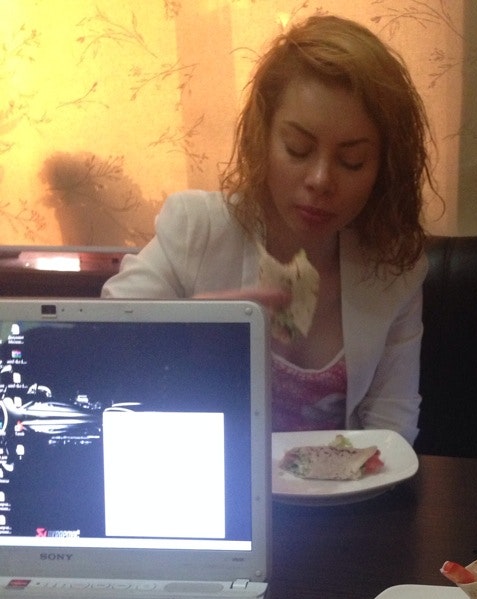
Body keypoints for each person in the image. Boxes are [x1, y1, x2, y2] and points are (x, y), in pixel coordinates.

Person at [102, 15, 436, 444]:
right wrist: (191, 327)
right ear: (263, 138)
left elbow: (391, 431)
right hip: (211, 479)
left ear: (382, 168)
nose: (320, 180)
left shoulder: (393, 267)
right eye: (298, 149)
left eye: (351, 161)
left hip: (341, 486)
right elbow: (104, 350)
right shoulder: (195, 229)